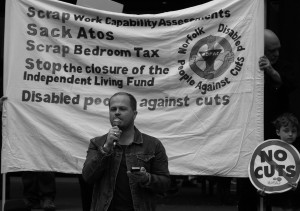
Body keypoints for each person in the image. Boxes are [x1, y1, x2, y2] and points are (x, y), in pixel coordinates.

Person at [82, 92, 170, 211]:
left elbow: (165, 184)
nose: (117, 112)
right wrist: (106, 148)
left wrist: (146, 178)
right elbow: (88, 177)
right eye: (113, 109)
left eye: (122, 109)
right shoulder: (97, 143)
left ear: (134, 114)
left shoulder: (153, 145)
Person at [0, 96, 56, 211]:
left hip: (44, 119)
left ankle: (46, 197)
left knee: (45, 161)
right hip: (24, 120)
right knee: (27, 161)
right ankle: (31, 198)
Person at [268, 113, 300, 211]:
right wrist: (262, 187)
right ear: (278, 132)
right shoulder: (269, 150)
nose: (290, 134)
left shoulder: (298, 152)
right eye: (286, 131)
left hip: (295, 199)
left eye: (293, 131)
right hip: (276, 198)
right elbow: (265, 172)